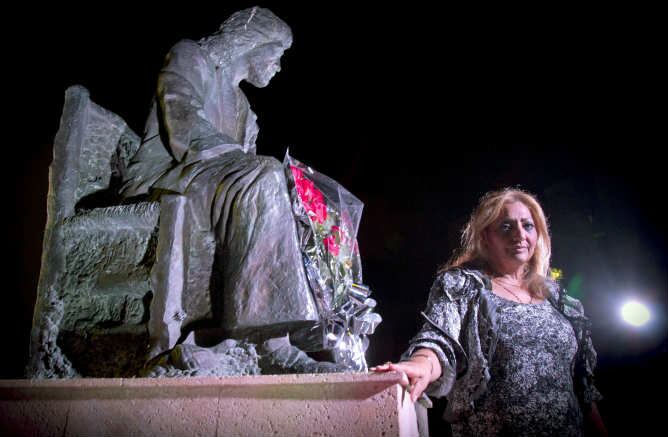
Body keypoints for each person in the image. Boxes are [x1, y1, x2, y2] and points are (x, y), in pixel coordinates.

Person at [119, 7, 338, 372]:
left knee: (286, 195)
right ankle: (270, 344)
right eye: (277, 55)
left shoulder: (246, 111)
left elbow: (246, 185)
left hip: (206, 185)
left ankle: (269, 336)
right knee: (268, 176)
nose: (278, 67)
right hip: (163, 177)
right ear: (254, 44)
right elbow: (181, 121)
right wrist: (254, 168)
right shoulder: (192, 56)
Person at [372, 188, 607, 436]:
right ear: (486, 238)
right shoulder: (463, 285)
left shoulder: (559, 300)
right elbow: (439, 340)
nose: (519, 234)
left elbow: (582, 389)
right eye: (506, 227)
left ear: (538, 234)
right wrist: (422, 364)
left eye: (527, 225)